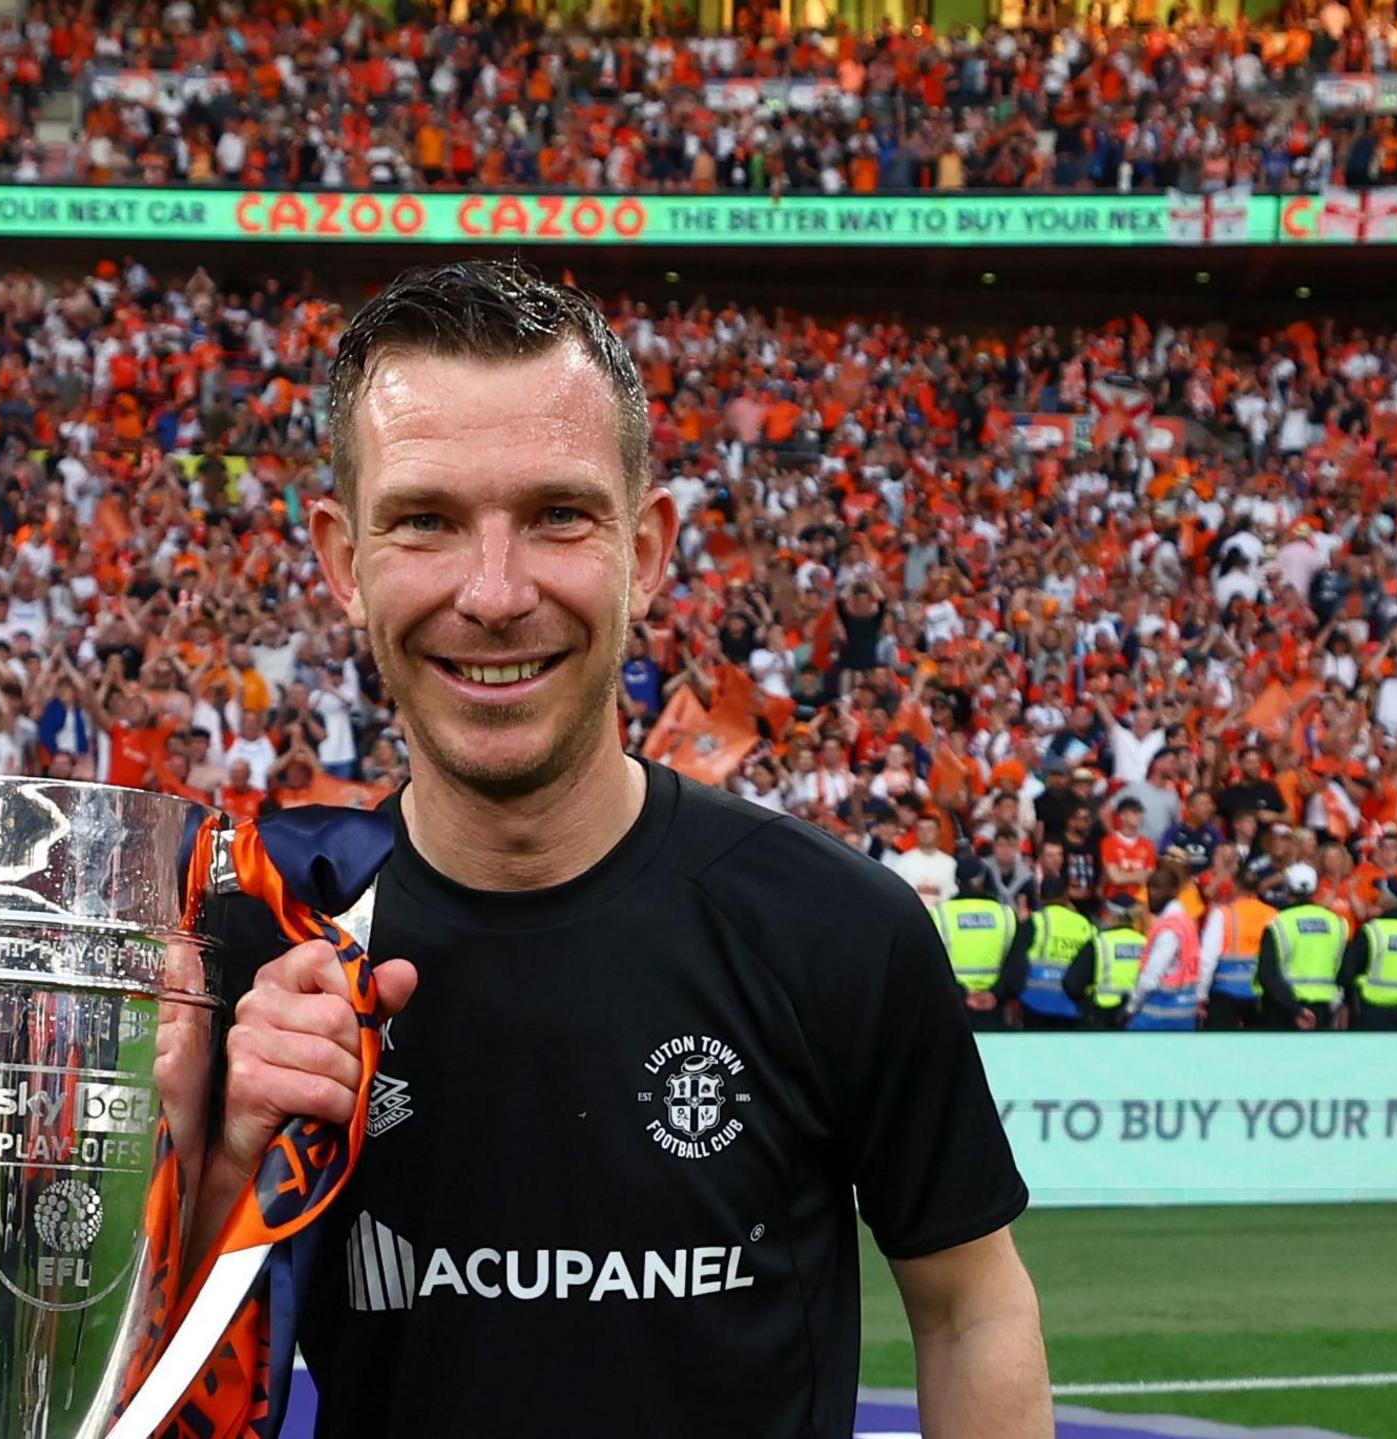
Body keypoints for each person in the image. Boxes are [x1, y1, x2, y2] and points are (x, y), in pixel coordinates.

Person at [211, 261, 1047, 1439]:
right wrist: (216, 1162)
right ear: (343, 561)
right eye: (426, 521)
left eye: (557, 513)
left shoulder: (835, 928)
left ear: (646, 549)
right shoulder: (258, 942)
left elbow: (968, 1311)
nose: (494, 593)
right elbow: (113, 1345)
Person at [1257, 863, 1348, 1031]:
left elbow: (1267, 974)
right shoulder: (1337, 923)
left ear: (1287, 889)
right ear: (1315, 890)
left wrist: (1296, 1009)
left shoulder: (1279, 923)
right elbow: (1345, 970)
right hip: (1325, 1009)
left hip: (1284, 1010)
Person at [1008, 876, 1096, 1032]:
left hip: (1035, 1002)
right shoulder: (1086, 925)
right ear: (1066, 895)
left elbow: (1015, 962)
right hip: (1072, 1006)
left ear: (1040, 897)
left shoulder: (1035, 921)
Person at [1341, 878, 1397, 1032]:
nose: (1377, 896)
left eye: (1381, 892)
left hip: (1370, 1010)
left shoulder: (1373, 931)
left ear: (1388, 900)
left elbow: (1350, 970)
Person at [1196, 870, 1278, 1031]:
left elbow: (1207, 959)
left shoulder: (1223, 914)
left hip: (1225, 993)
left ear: (1235, 886)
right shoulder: (1273, 914)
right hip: (1262, 995)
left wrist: (1200, 994)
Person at [1125, 862, 1201, 1031]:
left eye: (1158, 889)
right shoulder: (1186, 922)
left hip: (1159, 1014)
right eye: (1150, 888)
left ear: (1174, 891)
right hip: (1185, 1012)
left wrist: (1131, 1007)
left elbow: (1151, 977)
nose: (1151, 894)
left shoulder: (1169, 928)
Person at [934, 887, 1019, 1030]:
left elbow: (931, 965)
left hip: (953, 1003)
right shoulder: (1005, 913)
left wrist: (962, 995)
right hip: (994, 1004)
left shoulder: (940, 913)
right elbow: (1017, 963)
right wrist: (995, 994)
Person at [1064, 900, 1149, 1030]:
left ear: (1111, 916)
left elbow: (1073, 984)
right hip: (1137, 1016)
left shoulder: (1100, 942)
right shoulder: (1146, 943)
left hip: (1102, 1016)